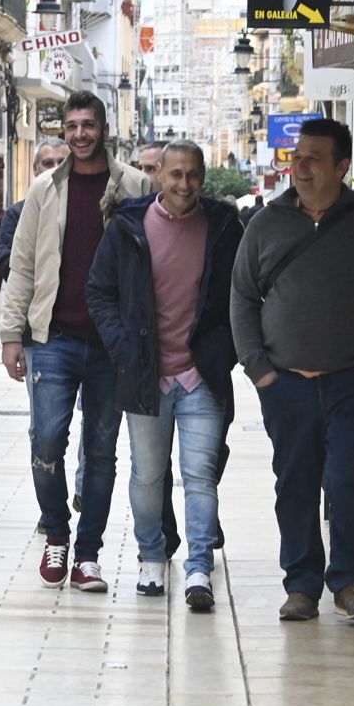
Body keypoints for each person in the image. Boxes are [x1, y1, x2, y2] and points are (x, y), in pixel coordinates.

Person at [231, 118, 354, 622]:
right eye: (297, 157)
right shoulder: (267, 223)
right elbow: (242, 298)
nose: (301, 167)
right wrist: (260, 372)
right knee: (295, 483)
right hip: (286, 385)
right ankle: (302, 586)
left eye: (313, 158)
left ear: (342, 167)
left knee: (350, 479)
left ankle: (350, 581)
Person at [0, 90, 151, 590]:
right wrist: (10, 334)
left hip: (112, 345)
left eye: (89, 125)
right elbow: (21, 265)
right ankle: (57, 536)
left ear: (103, 129)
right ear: (63, 132)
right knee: (46, 438)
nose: (80, 134)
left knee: (102, 450)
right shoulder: (45, 189)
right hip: (53, 339)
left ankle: (88, 554)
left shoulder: (135, 186)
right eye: (73, 126)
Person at [87, 140, 241, 611]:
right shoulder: (127, 227)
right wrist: (125, 349)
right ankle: (152, 556)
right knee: (149, 476)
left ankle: (198, 566)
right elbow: (100, 293)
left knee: (200, 476)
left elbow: (244, 293)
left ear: (203, 177)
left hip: (201, 378)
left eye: (193, 174)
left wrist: (225, 351)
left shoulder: (224, 227)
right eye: (175, 174)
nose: (184, 184)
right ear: (159, 177)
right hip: (145, 376)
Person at [0, 138, 67, 283]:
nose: (56, 169)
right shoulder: (16, 214)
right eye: (48, 163)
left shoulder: (86, 208)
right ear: (35, 169)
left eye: (62, 162)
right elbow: (8, 267)